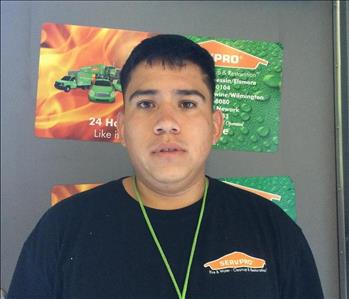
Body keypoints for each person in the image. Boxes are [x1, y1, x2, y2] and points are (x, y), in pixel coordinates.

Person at [7, 34, 323, 299]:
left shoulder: (272, 230)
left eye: (187, 104)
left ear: (215, 126)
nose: (166, 123)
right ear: (121, 128)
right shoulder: (60, 231)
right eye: (146, 104)